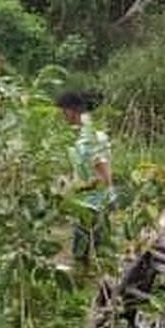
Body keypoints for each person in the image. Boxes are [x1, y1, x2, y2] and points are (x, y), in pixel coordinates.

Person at [57, 91, 115, 264]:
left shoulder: (91, 140)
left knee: (95, 254)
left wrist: (74, 188)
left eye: (63, 112)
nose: (63, 117)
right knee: (86, 254)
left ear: (72, 111)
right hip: (86, 203)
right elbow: (85, 170)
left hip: (95, 205)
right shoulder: (84, 138)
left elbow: (105, 179)